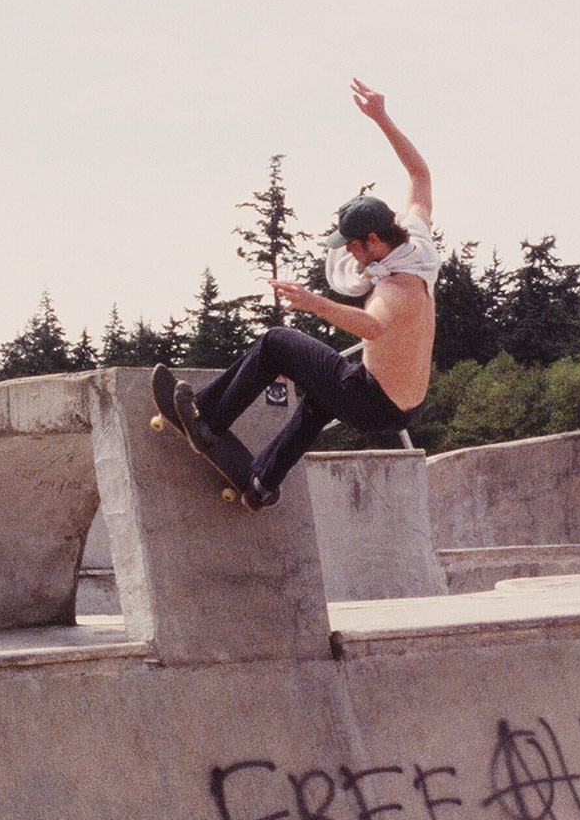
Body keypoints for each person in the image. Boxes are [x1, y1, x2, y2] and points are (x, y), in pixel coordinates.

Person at [180, 79, 437, 509]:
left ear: (372, 239)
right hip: (397, 403)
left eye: (352, 247)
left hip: (375, 402)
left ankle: (207, 421)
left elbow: (372, 326)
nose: (351, 257)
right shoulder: (416, 238)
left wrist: (311, 301)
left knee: (275, 343)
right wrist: (381, 117)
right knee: (320, 397)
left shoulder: (397, 287)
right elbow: (419, 173)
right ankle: (263, 483)